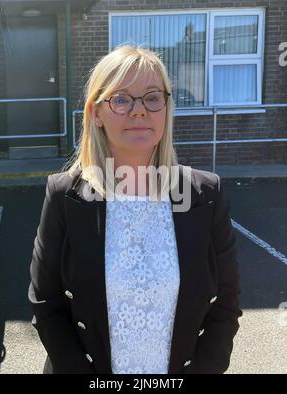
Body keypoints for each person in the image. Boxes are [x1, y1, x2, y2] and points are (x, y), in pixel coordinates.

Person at [28, 44, 242, 374]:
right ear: (95, 113)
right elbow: (47, 305)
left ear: (166, 109)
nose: (139, 110)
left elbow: (225, 308)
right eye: (121, 99)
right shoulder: (63, 196)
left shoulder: (205, 194)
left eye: (152, 97)